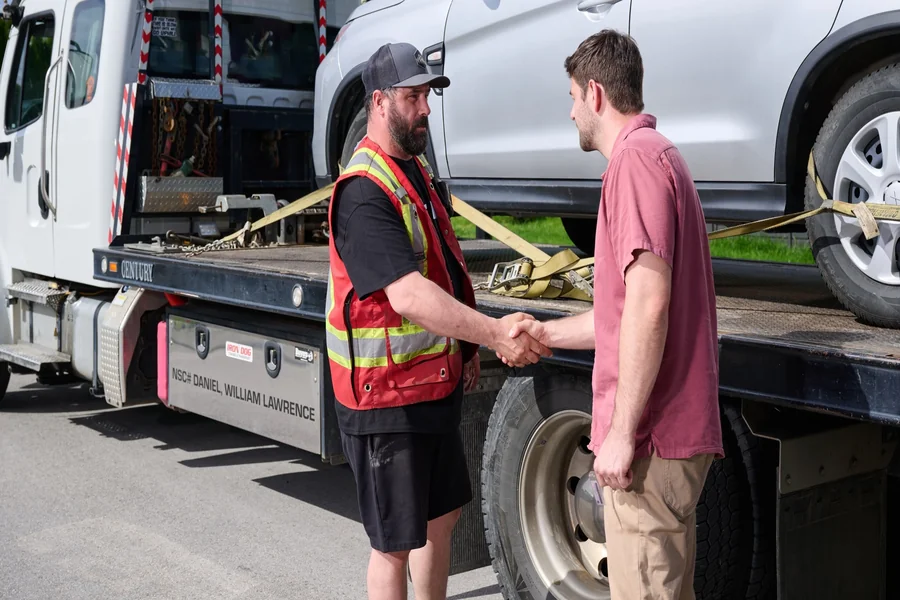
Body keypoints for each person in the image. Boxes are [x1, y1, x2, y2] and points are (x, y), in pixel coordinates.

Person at [324, 42, 550, 600]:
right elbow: (409, 296)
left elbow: (444, 268)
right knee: (393, 545)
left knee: (440, 518)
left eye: (428, 95)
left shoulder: (414, 173)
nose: (425, 108)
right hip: (385, 398)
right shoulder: (362, 190)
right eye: (412, 96)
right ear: (379, 102)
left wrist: (465, 352)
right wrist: (496, 334)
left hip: (426, 385)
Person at [509, 30, 725, 600]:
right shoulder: (658, 158)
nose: (571, 110)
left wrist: (622, 435)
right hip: (664, 439)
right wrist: (545, 332)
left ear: (596, 94)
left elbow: (650, 307)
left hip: (652, 445)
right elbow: (624, 314)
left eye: (573, 96)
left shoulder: (634, 163)